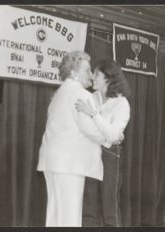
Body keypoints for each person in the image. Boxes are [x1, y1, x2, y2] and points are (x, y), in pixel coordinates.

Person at [37, 51, 120, 227]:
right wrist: (110, 139)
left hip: (52, 162)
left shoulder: (59, 93)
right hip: (69, 165)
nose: (91, 75)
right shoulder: (81, 94)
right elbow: (89, 128)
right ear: (74, 73)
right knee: (70, 218)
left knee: (55, 216)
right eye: (88, 70)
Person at [75, 59, 131, 227]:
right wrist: (107, 134)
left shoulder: (122, 103)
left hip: (110, 156)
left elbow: (113, 136)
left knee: (109, 206)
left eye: (97, 74)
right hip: (90, 151)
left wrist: (93, 115)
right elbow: (91, 130)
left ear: (108, 78)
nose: (92, 76)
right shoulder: (91, 97)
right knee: (89, 204)